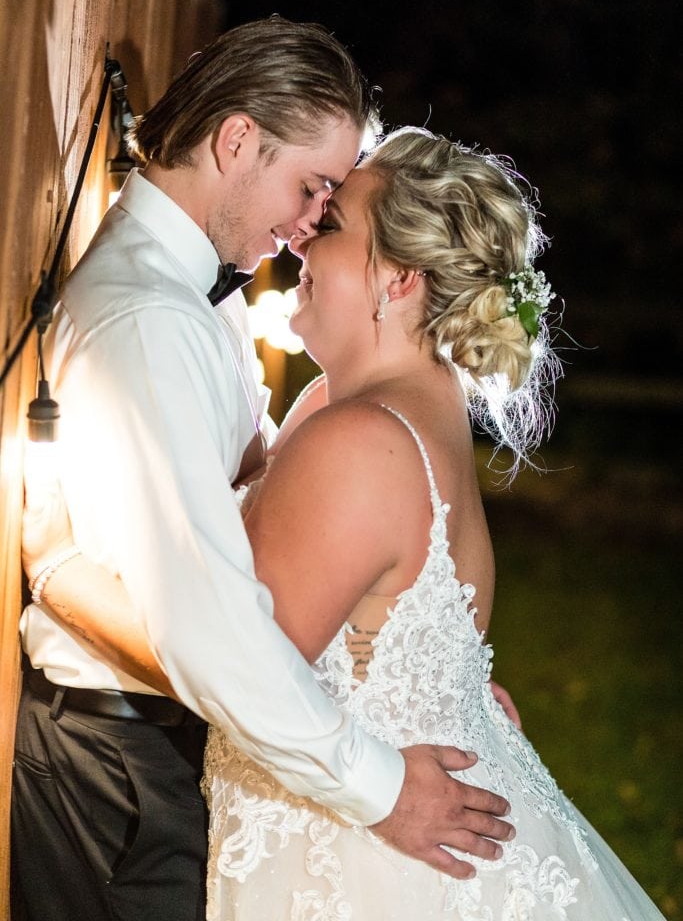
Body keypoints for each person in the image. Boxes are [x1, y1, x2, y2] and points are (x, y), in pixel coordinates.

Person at [21, 126, 665, 919]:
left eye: (329, 226)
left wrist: (55, 567)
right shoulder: (379, 407)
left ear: (396, 280)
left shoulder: (358, 440)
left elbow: (237, 666)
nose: (300, 240)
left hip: (362, 858)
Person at [12, 21, 514, 921]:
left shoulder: (206, 304)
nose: (308, 221)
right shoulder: (149, 321)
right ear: (237, 140)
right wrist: (382, 783)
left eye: (329, 200)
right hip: (123, 770)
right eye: (312, 185)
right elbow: (217, 626)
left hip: (187, 755)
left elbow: (262, 549)